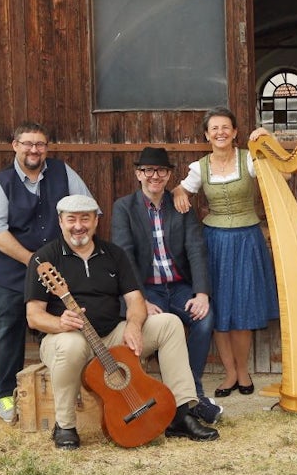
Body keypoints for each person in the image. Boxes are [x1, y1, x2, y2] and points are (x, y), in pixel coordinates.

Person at [24, 194, 219, 450]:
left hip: (110, 335)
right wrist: (60, 323)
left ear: (96, 222)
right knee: (71, 345)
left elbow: (136, 300)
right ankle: (66, 425)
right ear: (60, 222)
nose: (78, 226)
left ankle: (182, 413)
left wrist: (134, 325)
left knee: (169, 324)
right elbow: (34, 316)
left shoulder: (113, 254)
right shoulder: (44, 259)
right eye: (71, 219)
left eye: (85, 218)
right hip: (66, 338)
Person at [0, 122, 94, 423]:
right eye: (27, 144)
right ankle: (3, 394)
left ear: (47, 147)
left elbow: (89, 211)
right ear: (15, 146)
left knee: (71, 314)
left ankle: (67, 388)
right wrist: (34, 261)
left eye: (39, 144)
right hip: (5, 268)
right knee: (8, 319)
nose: (33, 150)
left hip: (52, 267)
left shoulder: (64, 173)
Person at [172, 106, 279, 398]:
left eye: (225, 127)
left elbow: (283, 174)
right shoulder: (199, 167)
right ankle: (229, 372)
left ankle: (243, 370)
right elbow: (180, 191)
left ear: (234, 132)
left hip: (247, 239)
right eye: (214, 128)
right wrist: (179, 192)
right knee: (219, 311)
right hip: (215, 241)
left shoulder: (249, 160)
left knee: (242, 309)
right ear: (207, 135)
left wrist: (268, 139)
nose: (220, 132)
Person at [111, 146, 222, 425]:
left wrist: (202, 294)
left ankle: (192, 388)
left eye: (161, 170)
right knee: (159, 326)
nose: (155, 176)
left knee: (205, 319)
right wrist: (140, 302)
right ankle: (183, 396)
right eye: (148, 170)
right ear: (138, 174)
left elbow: (196, 249)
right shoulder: (124, 207)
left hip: (179, 286)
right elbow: (124, 257)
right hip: (147, 289)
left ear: (169, 174)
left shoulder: (180, 205)